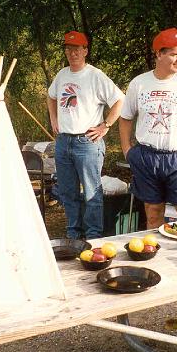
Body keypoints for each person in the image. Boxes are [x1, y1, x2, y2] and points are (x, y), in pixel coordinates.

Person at [119, 28, 177, 229]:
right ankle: (156, 257)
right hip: (146, 158)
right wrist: (127, 150)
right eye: (173, 54)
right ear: (159, 54)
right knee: (153, 216)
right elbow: (125, 117)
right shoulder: (140, 83)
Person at [47, 31, 124, 240]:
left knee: (91, 193)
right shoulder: (62, 75)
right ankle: (73, 236)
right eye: (68, 49)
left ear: (85, 51)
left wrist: (105, 125)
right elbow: (51, 96)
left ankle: (93, 238)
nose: (72, 53)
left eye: (77, 49)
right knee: (67, 192)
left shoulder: (95, 75)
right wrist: (53, 118)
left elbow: (119, 100)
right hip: (63, 142)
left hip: (87, 142)